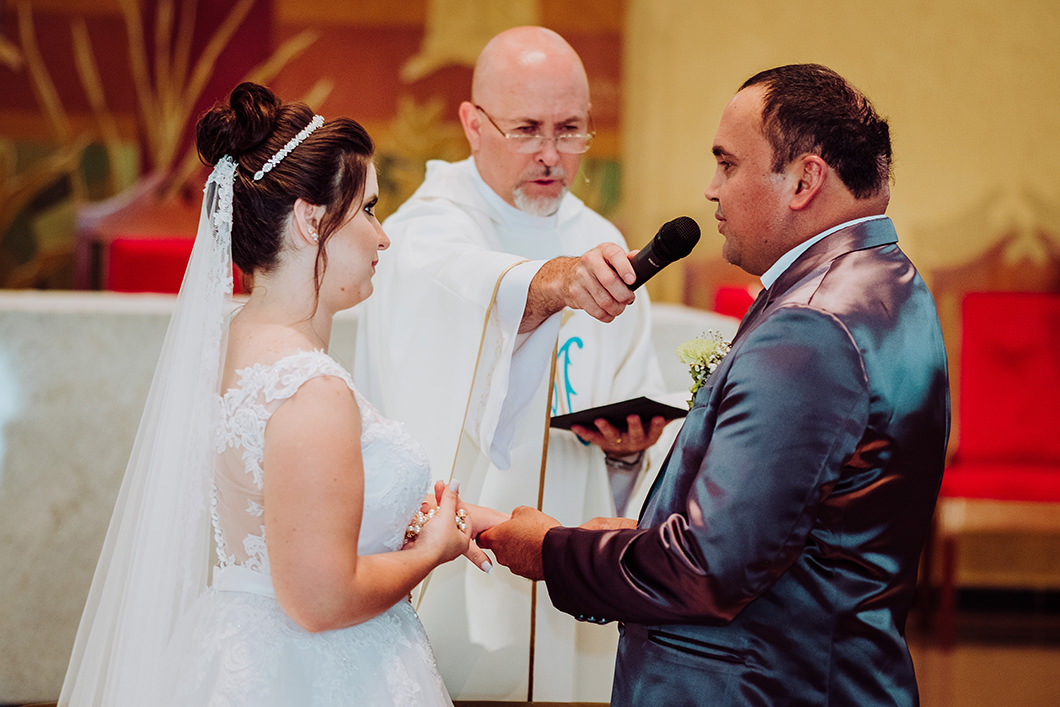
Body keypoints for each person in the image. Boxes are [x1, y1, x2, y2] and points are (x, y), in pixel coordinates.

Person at [479, 63, 950, 705]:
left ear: (805, 180)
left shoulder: (809, 326)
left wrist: (552, 552)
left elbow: (708, 570)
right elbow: (786, 527)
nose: (711, 190)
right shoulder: (888, 278)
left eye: (727, 164)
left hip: (762, 683)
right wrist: (624, 541)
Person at [60, 82, 502, 706]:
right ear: (310, 217)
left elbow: (282, 513)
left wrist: (408, 516)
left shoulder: (229, 339)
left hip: (236, 649)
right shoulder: (309, 389)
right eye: (370, 209)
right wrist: (434, 549)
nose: (383, 237)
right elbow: (320, 599)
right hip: (317, 674)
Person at [354, 25, 669, 702]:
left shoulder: (602, 242)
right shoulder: (428, 226)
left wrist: (624, 452)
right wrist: (554, 284)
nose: (552, 155)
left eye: (572, 130)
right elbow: (459, 282)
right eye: (527, 129)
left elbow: (630, 402)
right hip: (460, 573)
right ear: (473, 123)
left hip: (572, 573)